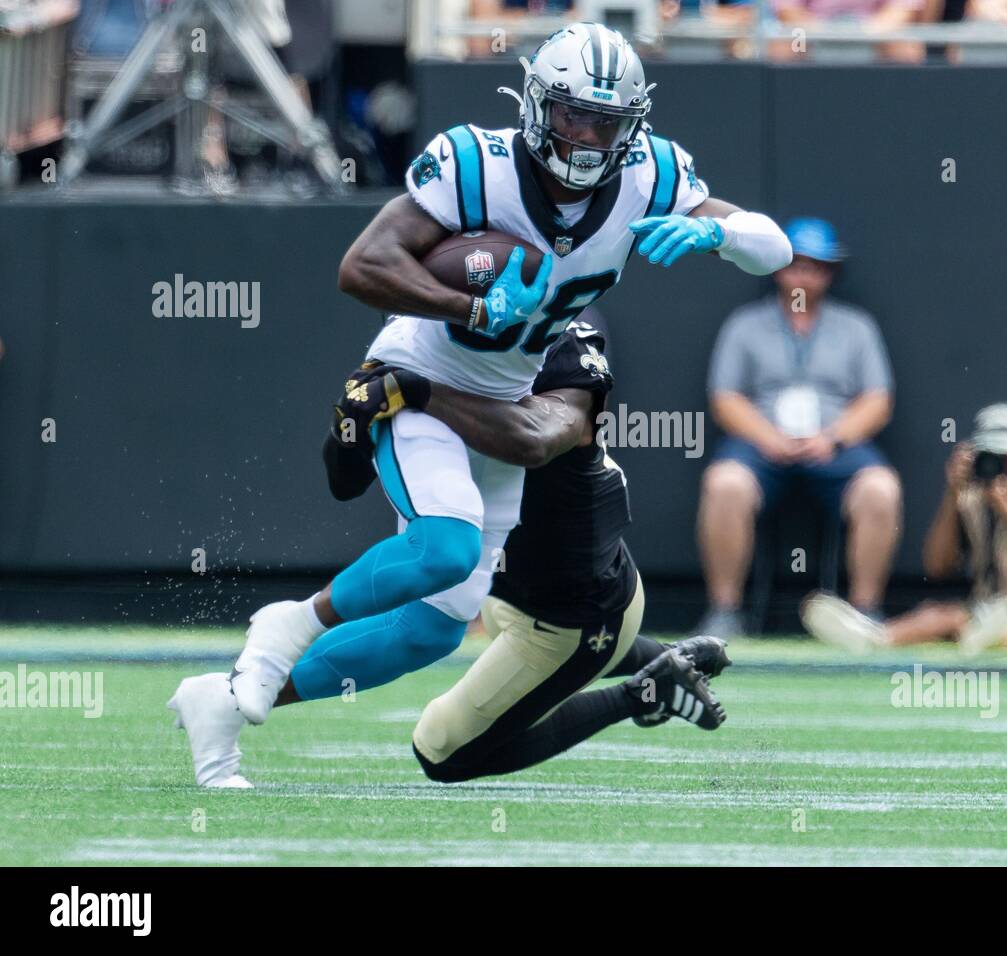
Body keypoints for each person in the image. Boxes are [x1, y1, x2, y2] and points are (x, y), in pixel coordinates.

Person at [169, 22, 789, 788]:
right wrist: (463, 309)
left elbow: (776, 250)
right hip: (420, 373)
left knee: (432, 629)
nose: (589, 137)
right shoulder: (478, 163)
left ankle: (220, 707)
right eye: (572, 115)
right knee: (447, 549)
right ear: (536, 105)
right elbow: (361, 266)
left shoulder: (651, 179)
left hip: (504, 395)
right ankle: (287, 626)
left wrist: (717, 237)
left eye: (608, 121)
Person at [697, 217, 900, 638]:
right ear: (777, 268)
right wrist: (767, 438)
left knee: (881, 488)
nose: (804, 275)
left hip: (835, 444)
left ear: (830, 273)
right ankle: (724, 611)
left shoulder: (857, 327)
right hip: (761, 445)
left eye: (816, 266)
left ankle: (865, 613)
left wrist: (833, 438)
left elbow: (877, 400)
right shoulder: (744, 324)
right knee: (724, 483)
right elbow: (725, 398)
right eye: (795, 264)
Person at [802, 403, 1007, 653]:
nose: (1005, 464)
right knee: (940, 614)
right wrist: (951, 495)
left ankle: (995, 639)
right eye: (996, 456)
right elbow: (938, 567)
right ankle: (873, 637)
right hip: (996, 606)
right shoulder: (971, 498)